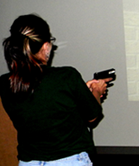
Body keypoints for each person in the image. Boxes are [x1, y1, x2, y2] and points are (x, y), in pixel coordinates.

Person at [0, 14, 110, 165]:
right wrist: (96, 91)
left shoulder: (4, 83)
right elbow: (92, 116)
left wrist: (78, 91)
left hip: (28, 162)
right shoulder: (66, 77)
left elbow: (40, 103)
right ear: (45, 46)